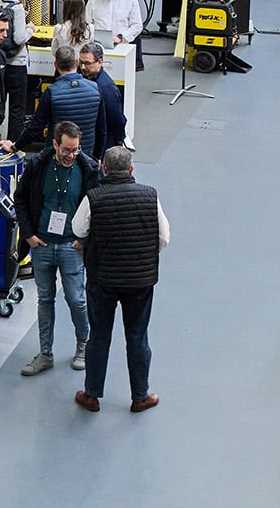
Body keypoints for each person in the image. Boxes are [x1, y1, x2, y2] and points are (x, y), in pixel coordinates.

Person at [72, 145, 168, 414]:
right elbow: (164, 238)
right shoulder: (150, 196)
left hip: (102, 279)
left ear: (103, 168)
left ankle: (91, 395)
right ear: (131, 169)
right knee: (137, 336)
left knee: (99, 336)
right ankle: (140, 396)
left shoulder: (93, 198)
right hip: (140, 281)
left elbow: (78, 229)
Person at [14, 121, 101, 377]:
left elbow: (97, 205)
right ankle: (45, 354)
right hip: (41, 244)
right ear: (55, 144)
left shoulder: (88, 169)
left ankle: (84, 346)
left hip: (71, 246)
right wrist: (28, 235)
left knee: (76, 299)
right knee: (45, 300)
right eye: (66, 150)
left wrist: (84, 239)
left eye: (75, 150)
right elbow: (20, 199)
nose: (71, 155)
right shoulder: (37, 166)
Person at [10, 45, 105, 154]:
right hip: (86, 156)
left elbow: (35, 130)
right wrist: (97, 157)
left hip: (57, 155)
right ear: (77, 63)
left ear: (55, 65)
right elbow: (101, 129)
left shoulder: (51, 92)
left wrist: (15, 147)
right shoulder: (95, 89)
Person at [0, 0, 34, 142]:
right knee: (17, 108)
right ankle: (13, 144)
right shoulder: (17, 9)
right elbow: (19, 38)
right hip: (16, 65)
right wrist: (30, 29)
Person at [86, 0, 143, 67]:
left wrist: (121, 37)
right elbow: (86, 22)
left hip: (122, 47)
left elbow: (137, 25)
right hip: (97, 47)